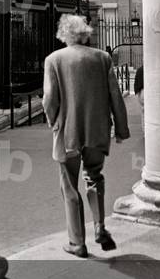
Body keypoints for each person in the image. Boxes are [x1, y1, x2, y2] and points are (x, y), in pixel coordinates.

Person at [43, 14, 130, 258]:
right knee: (94, 177)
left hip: (67, 132)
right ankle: (100, 226)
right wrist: (121, 130)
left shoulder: (54, 60)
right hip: (97, 130)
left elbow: (50, 100)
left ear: (64, 35)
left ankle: (76, 242)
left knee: (69, 185)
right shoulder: (102, 58)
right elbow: (116, 96)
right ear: (86, 34)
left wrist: (53, 122)